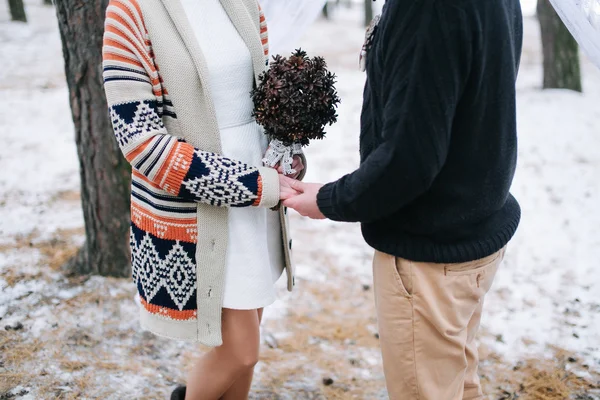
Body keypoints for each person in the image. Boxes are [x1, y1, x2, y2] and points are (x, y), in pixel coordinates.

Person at [281, 0, 523, 398]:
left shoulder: (427, 10)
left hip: (431, 259)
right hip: (471, 235)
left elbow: (408, 162)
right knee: (459, 387)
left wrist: (329, 200)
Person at [102, 0, 304, 399]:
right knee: (241, 352)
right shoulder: (130, 11)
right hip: (198, 206)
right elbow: (141, 143)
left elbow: (263, 95)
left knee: (249, 333)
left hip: (257, 194)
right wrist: (254, 186)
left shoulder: (244, 2)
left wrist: (287, 146)